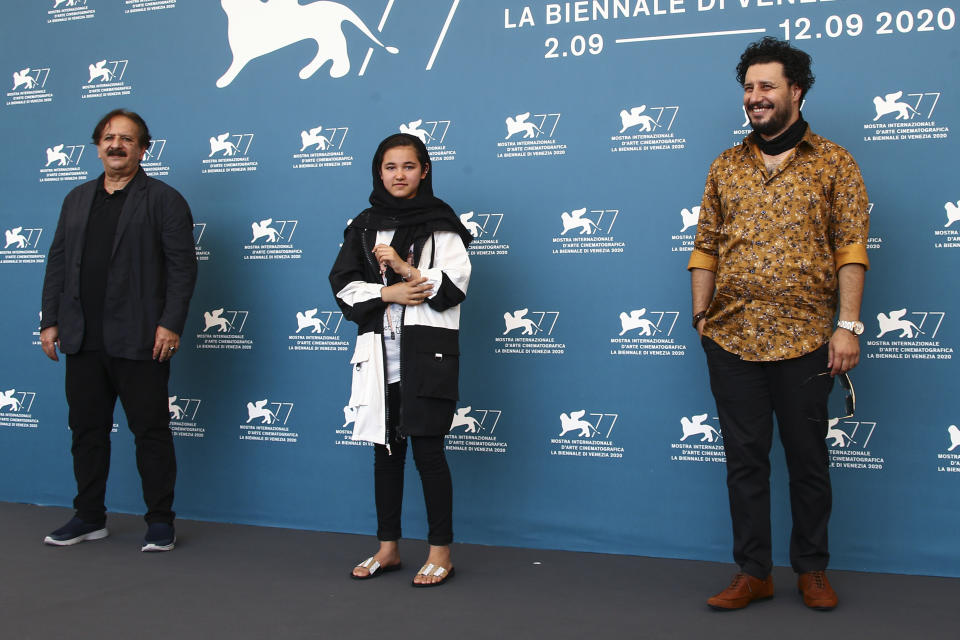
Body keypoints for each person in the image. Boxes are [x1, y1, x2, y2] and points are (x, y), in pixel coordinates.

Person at [688, 38, 869, 611]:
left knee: (808, 461)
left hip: (808, 340)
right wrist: (701, 317)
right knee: (744, 463)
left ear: (796, 91)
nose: (755, 97)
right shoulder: (726, 165)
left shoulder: (834, 162)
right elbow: (705, 248)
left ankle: (811, 571)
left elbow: (851, 249)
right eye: (748, 88)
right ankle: (753, 573)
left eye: (767, 86)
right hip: (732, 339)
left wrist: (849, 326)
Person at [40, 109, 198, 552]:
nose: (116, 145)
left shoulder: (165, 199)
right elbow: (58, 263)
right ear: (97, 146)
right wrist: (49, 320)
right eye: (109, 137)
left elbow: (183, 268)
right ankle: (89, 517)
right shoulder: (75, 199)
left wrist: (170, 324)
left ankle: (160, 522)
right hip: (83, 337)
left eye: (127, 139)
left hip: (141, 337)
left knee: (150, 431)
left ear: (143, 149)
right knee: (86, 431)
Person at [330, 133, 472, 587]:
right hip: (378, 354)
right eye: (390, 167)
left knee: (429, 454)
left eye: (408, 166)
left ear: (424, 170)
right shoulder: (364, 224)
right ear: (379, 171)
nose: (398, 175)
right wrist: (387, 291)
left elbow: (453, 289)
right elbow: (343, 287)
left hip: (428, 354)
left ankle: (439, 552)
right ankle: (387, 548)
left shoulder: (443, 224)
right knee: (385, 454)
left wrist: (407, 269)